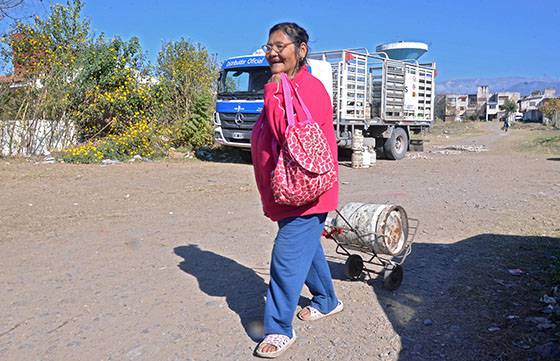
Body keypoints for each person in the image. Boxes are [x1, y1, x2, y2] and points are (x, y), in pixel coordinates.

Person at [250, 22, 343, 358]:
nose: (272, 52)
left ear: (301, 50)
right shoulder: (286, 85)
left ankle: (278, 329)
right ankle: (328, 300)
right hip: (287, 192)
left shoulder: (307, 88)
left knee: (286, 259)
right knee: (308, 250)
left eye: (280, 46)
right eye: (268, 46)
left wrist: (273, 90)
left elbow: (284, 131)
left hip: (307, 193)